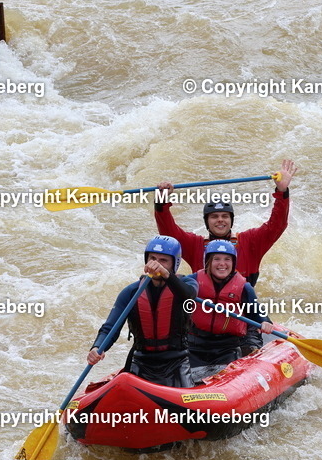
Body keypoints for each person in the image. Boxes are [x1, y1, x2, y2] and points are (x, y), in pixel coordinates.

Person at [154, 158, 297, 286]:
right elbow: (169, 232)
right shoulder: (194, 245)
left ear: (231, 220)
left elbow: (277, 225)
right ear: (207, 222)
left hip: (240, 305)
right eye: (214, 216)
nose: (220, 220)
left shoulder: (250, 242)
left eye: (225, 216)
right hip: (204, 305)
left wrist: (282, 191)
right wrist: (161, 201)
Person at [87, 236, 198, 387]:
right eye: (152, 258)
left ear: (174, 264)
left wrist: (166, 274)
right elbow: (110, 328)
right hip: (141, 361)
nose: (156, 264)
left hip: (176, 362)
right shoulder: (131, 292)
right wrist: (97, 348)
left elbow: (189, 295)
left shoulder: (187, 284)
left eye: (163, 260)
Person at [185, 240, 273, 378]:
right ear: (208, 261)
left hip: (226, 347)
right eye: (217, 259)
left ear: (233, 263)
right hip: (195, 344)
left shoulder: (244, 287)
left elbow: (257, 312)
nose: (222, 263)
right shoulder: (193, 280)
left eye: (227, 259)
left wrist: (265, 322)